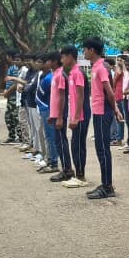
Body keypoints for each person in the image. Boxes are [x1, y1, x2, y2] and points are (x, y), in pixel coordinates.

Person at [85, 38, 123, 199]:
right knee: (100, 148)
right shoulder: (96, 66)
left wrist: (115, 110)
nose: (84, 52)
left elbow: (110, 92)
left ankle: (107, 187)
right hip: (99, 111)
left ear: (92, 50)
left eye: (85, 49)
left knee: (103, 149)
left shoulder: (101, 67)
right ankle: (105, 183)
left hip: (102, 112)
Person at [60, 46, 91, 188]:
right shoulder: (72, 73)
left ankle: (80, 176)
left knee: (78, 146)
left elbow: (80, 96)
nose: (62, 60)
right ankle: (78, 174)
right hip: (77, 114)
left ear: (70, 56)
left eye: (63, 57)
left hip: (81, 115)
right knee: (75, 145)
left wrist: (76, 117)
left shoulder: (78, 73)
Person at [47, 52, 74, 183]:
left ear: (54, 61)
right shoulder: (55, 74)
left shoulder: (60, 75)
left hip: (60, 115)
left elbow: (62, 97)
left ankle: (67, 170)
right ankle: (65, 168)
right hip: (55, 114)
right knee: (58, 142)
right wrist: (52, 115)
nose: (47, 63)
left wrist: (59, 117)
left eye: (49, 61)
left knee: (61, 142)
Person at [34, 54, 61, 175]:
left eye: (41, 62)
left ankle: (54, 162)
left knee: (51, 137)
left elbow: (53, 98)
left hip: (48, 110)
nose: (37, 64)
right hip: (43, 109)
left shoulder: (50, 78)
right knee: (48, 137)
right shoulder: (43, 76)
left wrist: (51, 112)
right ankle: (50, 160)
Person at [3, 50, 27, 145]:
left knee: (16, 117)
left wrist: (8, 92)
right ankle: (12, 136)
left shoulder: (18, 69)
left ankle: (21, 137)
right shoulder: (12, 67)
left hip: (14, 95)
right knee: (9, 117)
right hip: (11, 95)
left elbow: (17, 82)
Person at [109, 58, 125, 147]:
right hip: (118, 95)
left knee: (120, 118)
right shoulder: (121, 72)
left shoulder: (119, 72)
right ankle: (118, 138)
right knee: (119, 118)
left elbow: (114, 81)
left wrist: (118, 67)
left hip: (119, 95)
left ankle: (118, 138)